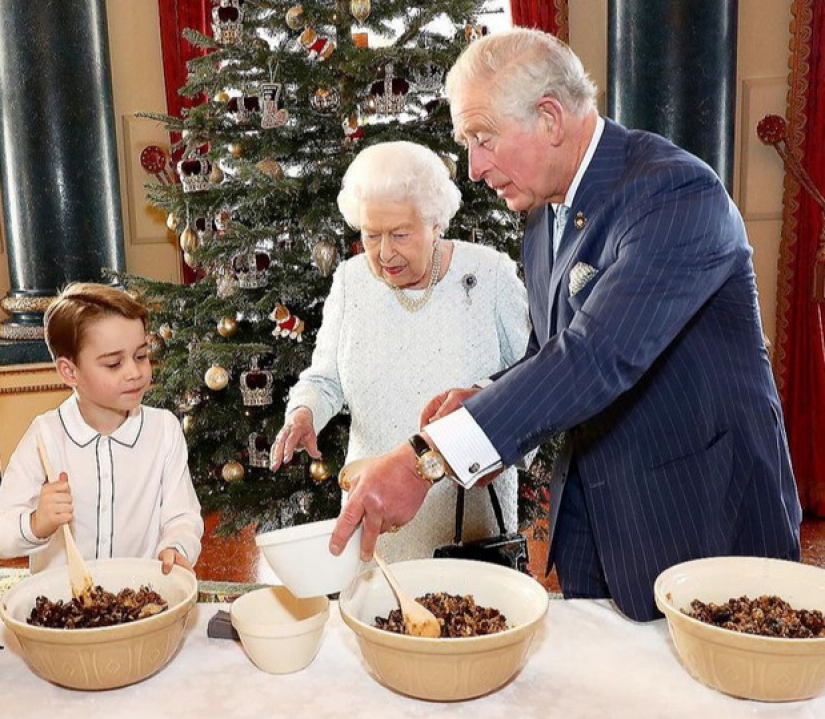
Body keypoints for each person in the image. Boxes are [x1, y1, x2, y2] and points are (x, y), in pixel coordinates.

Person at [329, 29, 802, 621]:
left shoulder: (676, 193)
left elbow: (594, 356)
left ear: (550, 118)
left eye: (482, 139)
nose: (474, 168)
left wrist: (426, 459)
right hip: (599, 526)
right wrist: (488, 394)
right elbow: (550, 352)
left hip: (700, 518)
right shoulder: (544, 213)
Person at [270, 140, 530, 563]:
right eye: (371, 235)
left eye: (400, 235)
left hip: (468, 525)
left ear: (436, 223)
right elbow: (325, 379)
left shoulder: (490, 275)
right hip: (374, 514)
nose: (385, 253)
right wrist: (304, 413)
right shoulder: (351, 282)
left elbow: (531, 385)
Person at [0, 283, 203, 575]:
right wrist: (36, 523)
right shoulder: (45, 435)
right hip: (62, 600)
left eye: (141, 356)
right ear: (70, 372)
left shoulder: (164, 430)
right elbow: (3, 528)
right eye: (113, 363)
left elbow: (183, 516)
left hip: (141, 594)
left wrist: (176, 547)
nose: (134, 372)